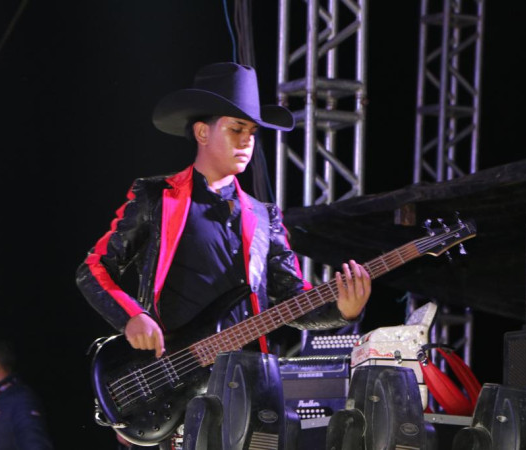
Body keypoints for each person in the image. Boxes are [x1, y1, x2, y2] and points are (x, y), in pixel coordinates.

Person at [76, 62, 372, 448]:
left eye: (251, 132)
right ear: (202, 132)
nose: (247, 141)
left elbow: (293, 299)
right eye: (236, 129)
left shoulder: (265, 218)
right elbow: (94, 268)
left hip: (248, 388)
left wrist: (342, 310)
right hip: (170, 385)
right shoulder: (157, 197)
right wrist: (132, 315)